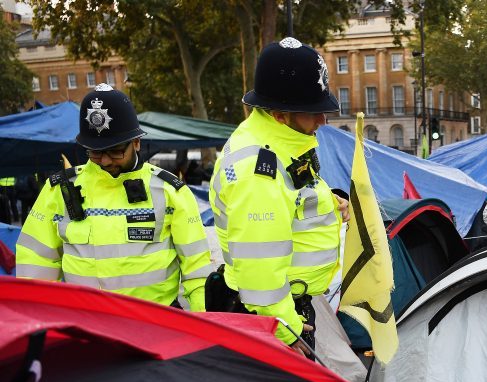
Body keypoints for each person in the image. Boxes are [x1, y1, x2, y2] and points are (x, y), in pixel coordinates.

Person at [206, 37, 349, 356]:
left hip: (277, 311)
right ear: (280, 113)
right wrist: (288, 333)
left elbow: (290, 199)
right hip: (274, 321)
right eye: (313, 111)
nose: (322, 120)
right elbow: (259, 268)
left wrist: (330, 203)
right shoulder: (257, 171)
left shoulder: (276, 143)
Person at [16, 84, 212, 310]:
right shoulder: (58, 191)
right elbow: (35, 264)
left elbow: (196, 271)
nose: (106, 161)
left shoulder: (170, 192)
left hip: (156, 329)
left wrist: (206, 323)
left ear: (136, 142)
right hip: (88, 330)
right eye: (96, 152)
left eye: (116, 150)